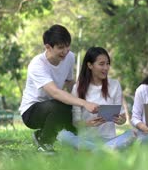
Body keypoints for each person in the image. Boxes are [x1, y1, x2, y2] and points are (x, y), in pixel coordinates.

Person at [19, 24, 98, 153]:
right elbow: (55, 93)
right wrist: (83, 103)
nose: (65, 51)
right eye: (61, 48)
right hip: (31, 112)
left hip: (54, 107)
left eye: (67, 46)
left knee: (74, 109)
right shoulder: (37, 65)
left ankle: (77, 145)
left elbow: (70, 83)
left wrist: (85, 98)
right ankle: (44, 143)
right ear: (48, 47)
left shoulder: (69, 57)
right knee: (61, 105)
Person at [56, 47, 136, 151]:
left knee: (132, 134)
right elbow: (76, 122)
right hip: (86, 140)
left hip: (109, 139)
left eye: (108, 64)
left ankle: (95, 150)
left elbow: (122, 116)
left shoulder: (115, 85)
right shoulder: (78, 87)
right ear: (90, 65)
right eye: (101, 64)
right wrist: (88, 123)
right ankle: (105, 150)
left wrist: (121, 120)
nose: (106, 68)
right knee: (62, 135)